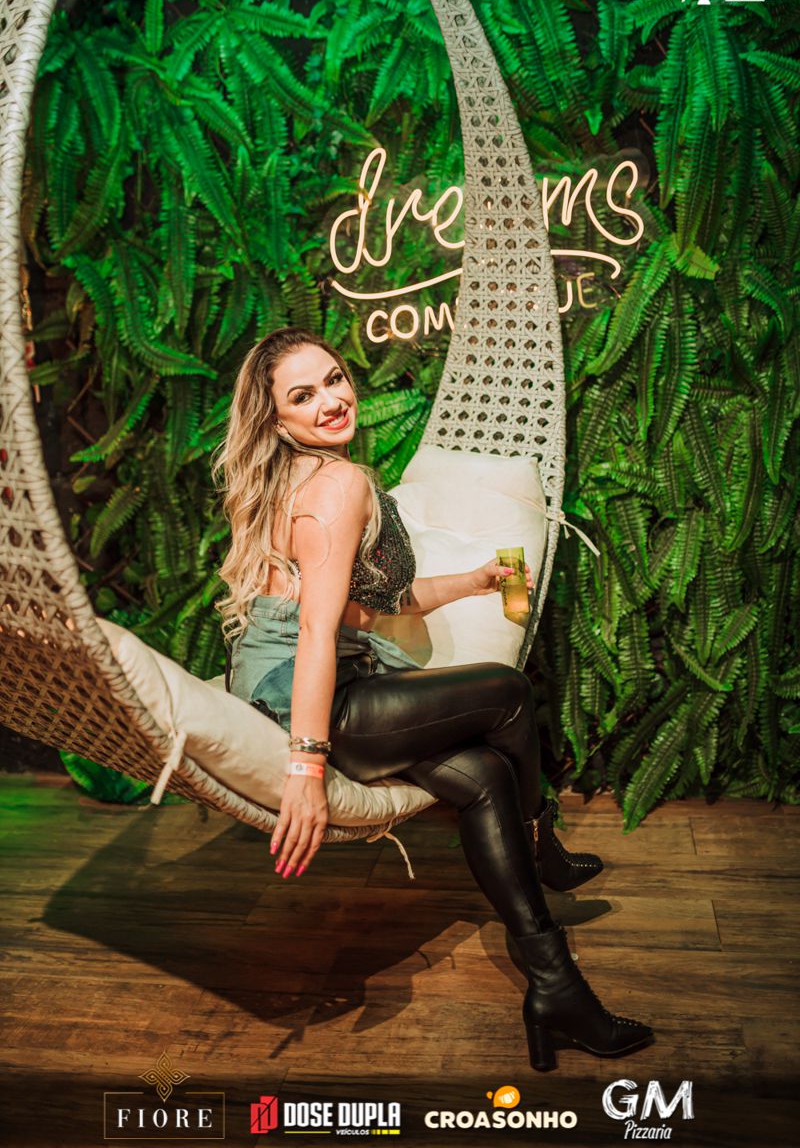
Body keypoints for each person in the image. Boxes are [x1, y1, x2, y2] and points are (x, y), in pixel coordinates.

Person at [213, 326, 652, 1071]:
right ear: (277, 421)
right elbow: (316, 631)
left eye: (334, 379)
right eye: (303, 395)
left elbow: (370, 606)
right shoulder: (336, 486)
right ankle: (539, 839)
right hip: (310, 694)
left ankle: (556, 990)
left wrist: (477, 582)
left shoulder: (300, 478)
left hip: (297, 680)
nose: (331, 400)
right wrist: (307, 768)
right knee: (507, 692)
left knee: (484, 777)